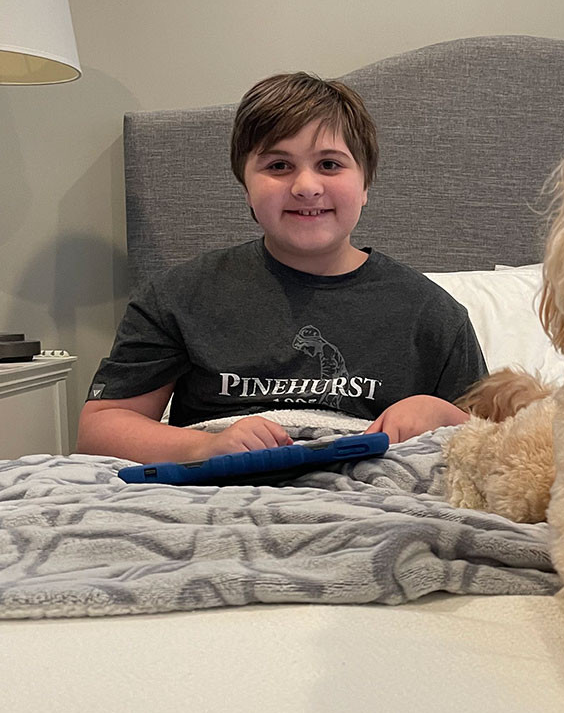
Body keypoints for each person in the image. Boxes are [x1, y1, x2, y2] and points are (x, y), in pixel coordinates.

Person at [77, 72, 486, 462]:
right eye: (278, 166)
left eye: (330, 164)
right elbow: (99, 429)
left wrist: (440, 415)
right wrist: (202, 447)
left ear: (365, 186)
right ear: (246, 187)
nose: (306, 186)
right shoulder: (178, 296)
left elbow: (498, 444)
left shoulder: (433, 315)